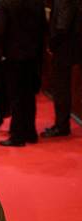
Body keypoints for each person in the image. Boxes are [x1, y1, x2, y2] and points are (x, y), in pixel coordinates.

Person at [0, 0, 46, 147]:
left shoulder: (7, 3)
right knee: (29, 95)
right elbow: (43, 28)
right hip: (32, 55)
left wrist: (0, 53)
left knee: (15, 96)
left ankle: (17, 135)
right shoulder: (38, 3)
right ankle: (31, 132)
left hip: (12, 56)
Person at [41, 0, 81, 138]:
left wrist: (52, 44)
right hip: (65, 47)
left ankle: (61, 125)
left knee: (61, 88)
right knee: (61, 87)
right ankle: (61, 123)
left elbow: (62, 26)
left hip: (64, 48)